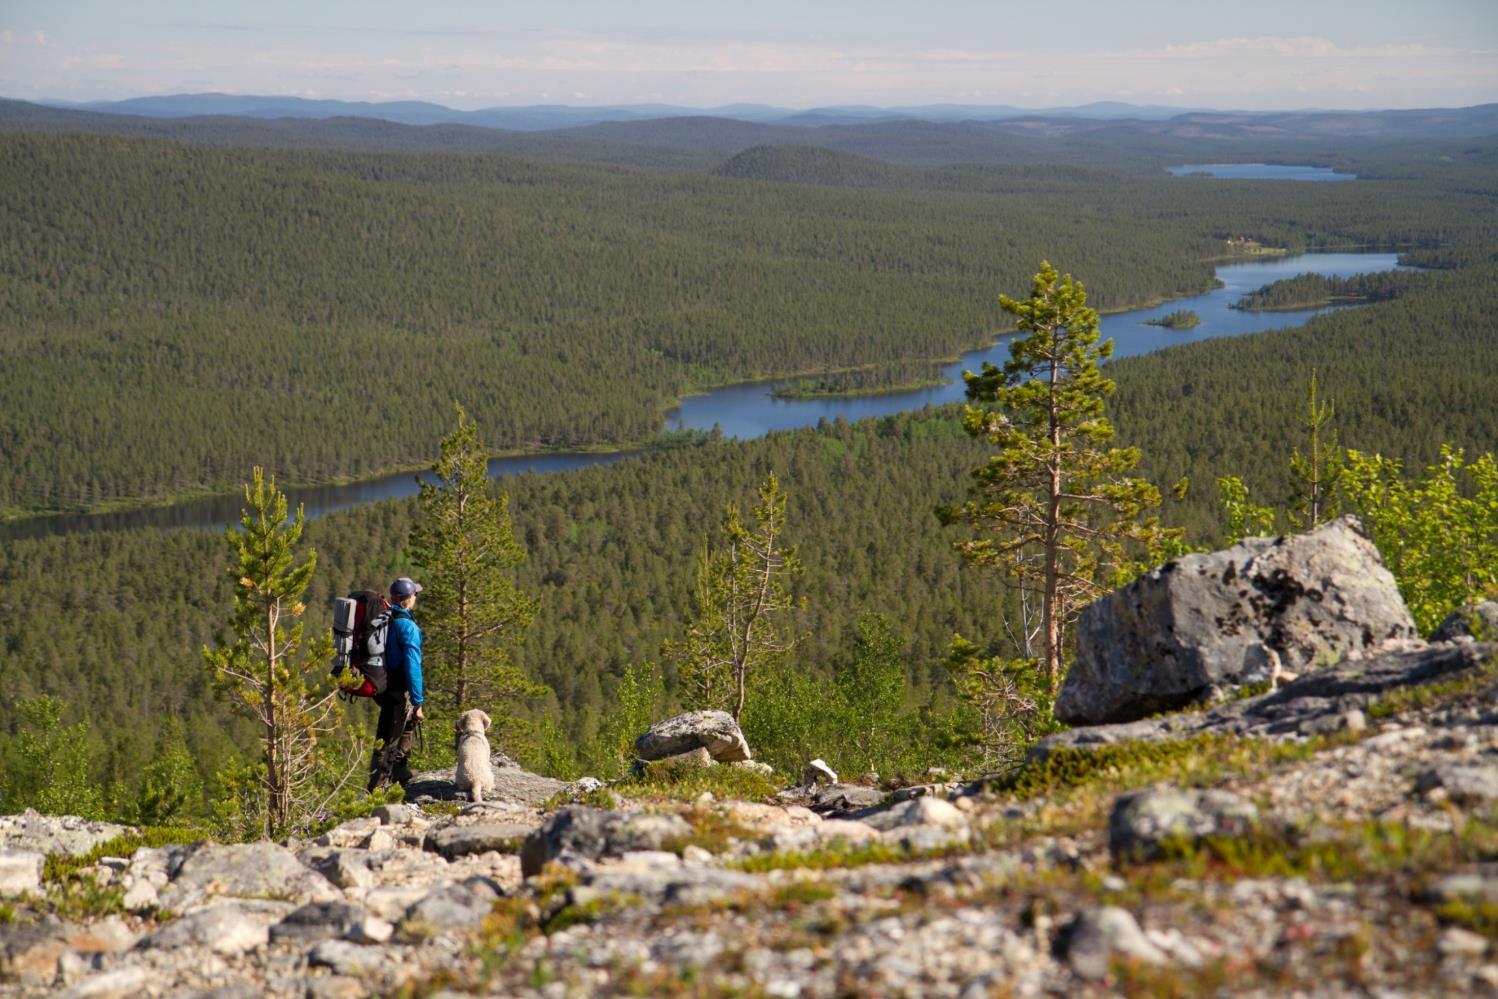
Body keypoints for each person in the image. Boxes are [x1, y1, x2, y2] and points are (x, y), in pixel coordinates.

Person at [369, 576, 425, 791]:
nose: (415, 598)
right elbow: (413, 666)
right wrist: (418, 702)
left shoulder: (385, 618)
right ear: (408, 599)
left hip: (382, 685)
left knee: (406, 724)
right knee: (389, 738)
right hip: (397, 689)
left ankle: (400, 771)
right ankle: (377, 788)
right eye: (414, 594)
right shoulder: (407, 627)